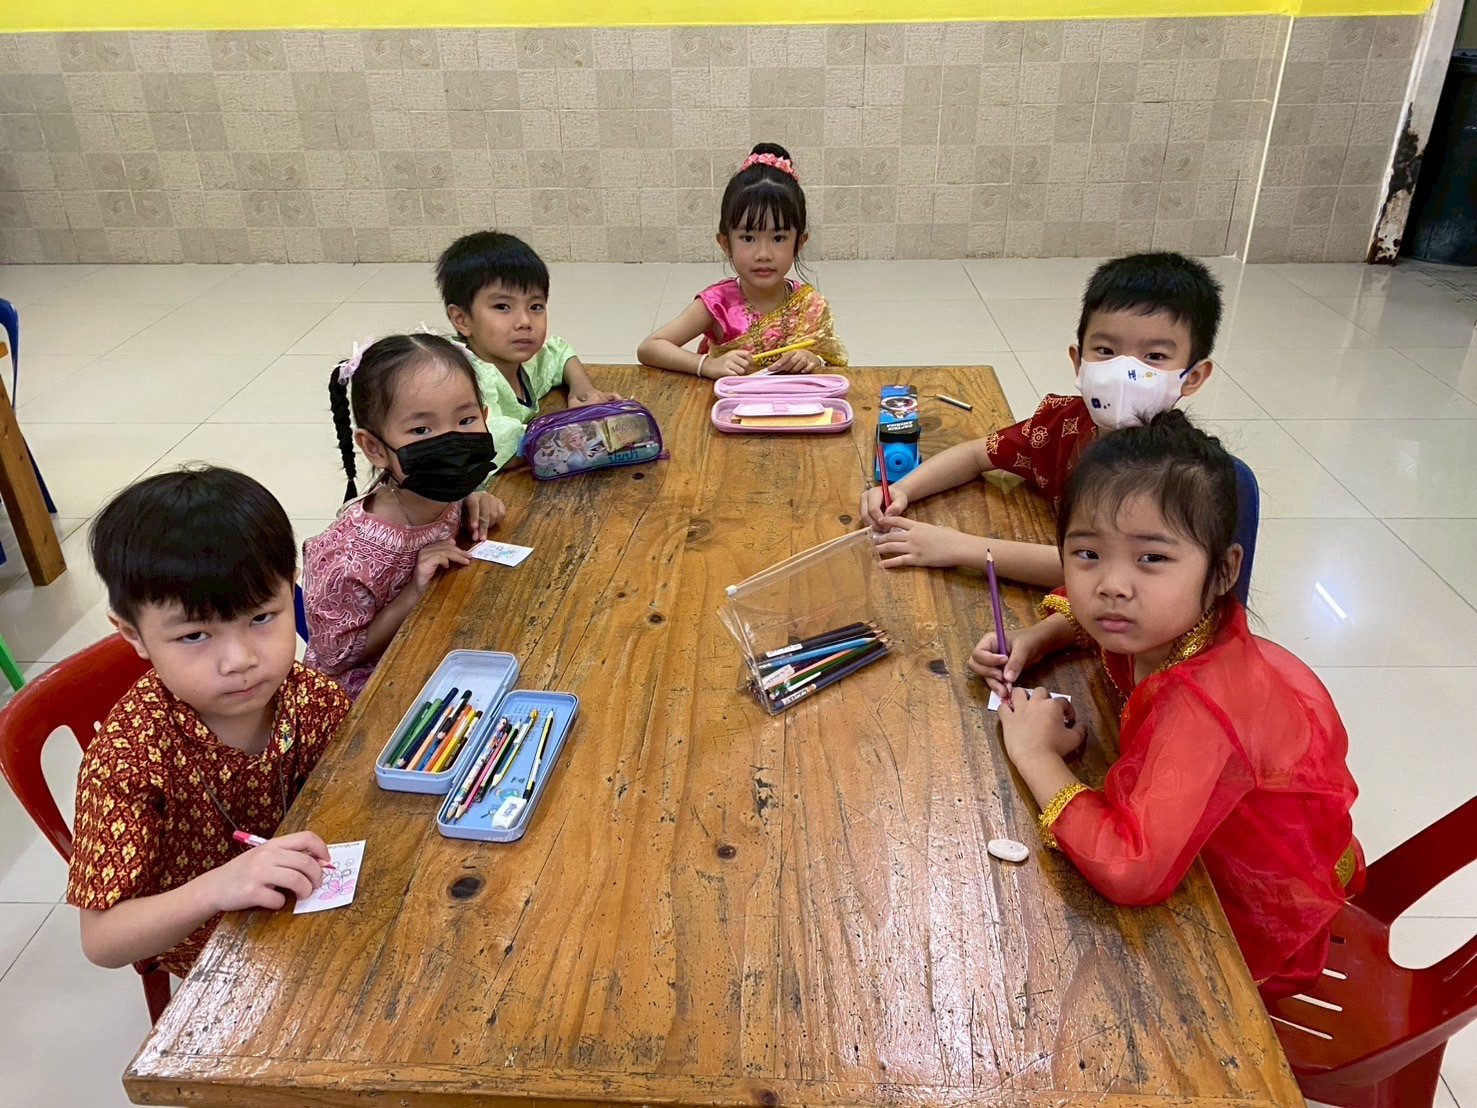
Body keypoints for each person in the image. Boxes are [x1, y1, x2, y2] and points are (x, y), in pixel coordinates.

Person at [971, 411, 1361, 1000]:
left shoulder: (1202, 707)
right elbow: (1092, 611)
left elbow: (1132, 870)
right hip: (1196, 838)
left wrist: (1034, 752)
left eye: (1151, 559)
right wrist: (1037, 637)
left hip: (1238, 920)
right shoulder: (1163, 623)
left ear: (1224, 570)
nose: (1112, 586)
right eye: (1087, 553)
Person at [67, 467, 350, 977]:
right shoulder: (128, 759)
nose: (240, 660)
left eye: (261, 618)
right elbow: (101, 940)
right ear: (133, 635)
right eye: (195, 636)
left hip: (308, 898)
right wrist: (220, 886)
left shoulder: (309, 696)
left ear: (292, 590)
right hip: (208, 940)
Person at [860, 252, 1221, 586]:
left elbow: (1092, 568)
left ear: (1192, 377)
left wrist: (958, 547)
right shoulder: (1061, 424)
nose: (1124, 371)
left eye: (1154, 356)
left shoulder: (1174, 475)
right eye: (1106, 351)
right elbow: (974, 455)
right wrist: (903, 489)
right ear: (1078, 361)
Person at [304, 333, 507, 698]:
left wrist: (473, 499)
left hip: (446, 644)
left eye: (466, 420)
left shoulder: (441, 493)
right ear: (374, 448)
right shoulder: (346, 556)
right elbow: (335, 659)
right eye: (421, 430)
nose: (451, 443)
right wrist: (412, 592)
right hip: (376, 697)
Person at [637, 142, 847, 378]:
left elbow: (832, 363)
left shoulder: (810, 304)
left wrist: (811, 359)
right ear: (726, 243)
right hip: (729, 402)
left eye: (778, 238)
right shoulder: (717, 304)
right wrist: (706, 365)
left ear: (799, 242)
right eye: (748, 238)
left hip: (793, 402)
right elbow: (650, 347)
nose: (763, 254)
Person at [437, 230, 619, 471]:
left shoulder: (523, 360)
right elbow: (495, 444)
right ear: (462, 319)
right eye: (502, 306)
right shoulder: (463, 382)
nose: (524, 321)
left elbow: (559, 352)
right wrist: (583, 427)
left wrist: (582, 388)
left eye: (535, 306)